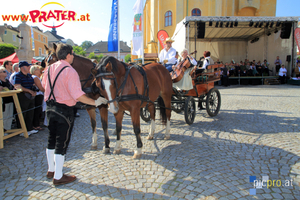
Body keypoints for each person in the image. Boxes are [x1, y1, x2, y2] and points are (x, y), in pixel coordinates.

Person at [42, 44, 107, 185]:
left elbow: (44, 86)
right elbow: (78, 95)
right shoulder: (70, 71)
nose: (73, 56)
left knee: (51, 139)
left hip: (50, 108)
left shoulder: (47, 69)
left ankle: (51, 170)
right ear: (69, 55)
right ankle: (58, 177)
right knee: (62, 142)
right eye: (72, 54)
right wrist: (95, 102)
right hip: (64, 110)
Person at [14, 61, 39, 135]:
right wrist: (28, 90)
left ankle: (29, 128)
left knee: (30, 113)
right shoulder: (18, 75)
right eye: (28, 66)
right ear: (22, 68)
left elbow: (32, 84)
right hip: (23, 96)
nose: (29, 68)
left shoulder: (29, 76)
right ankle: (21, 130)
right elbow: (17, 86)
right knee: (22, 113)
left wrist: (34, 91)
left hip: (30, 96)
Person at [30, 65, 45, 131]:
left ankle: (36, 124)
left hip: (38, 95)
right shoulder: (35, 77)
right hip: (38, 95)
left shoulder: (35, 77)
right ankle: (36, 125)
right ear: (35, 70)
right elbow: (40, 88)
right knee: (37, 110)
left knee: (37, 110)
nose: (39, 70)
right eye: (38, 69)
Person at [0, 66, 15, 131]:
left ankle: (8, 129)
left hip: (10, 100)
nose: (5, 72)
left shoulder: (7, 80)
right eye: (3, 71)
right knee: (4, 116)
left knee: (10, 116)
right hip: (3, 102)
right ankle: (2, 130)